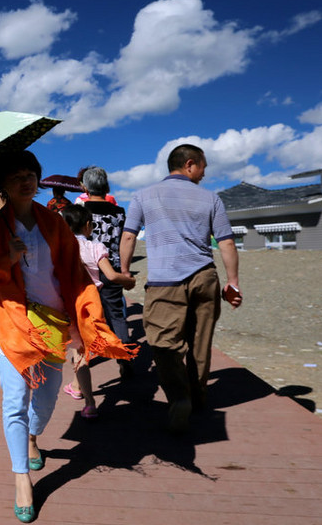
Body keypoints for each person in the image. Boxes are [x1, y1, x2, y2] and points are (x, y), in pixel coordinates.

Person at [0, 150, 135, 523]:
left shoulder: (55, 222)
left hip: (55, 324)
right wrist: (6, 261)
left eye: (30, 173)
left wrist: (79, 332)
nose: (26, 181)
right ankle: (21, 479)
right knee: (14, 400)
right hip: (12, 322)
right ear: (4, 186)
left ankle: (32, 436)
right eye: (16, 176)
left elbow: (74, 276)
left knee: (46, 397)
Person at [119, 143, 243, 433]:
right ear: (189, 164)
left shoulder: (143, 196)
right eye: (203, 166)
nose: (204, 173)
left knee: (163, 344)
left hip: (165, 282)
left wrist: (125, 272)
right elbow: (225, 242)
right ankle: (197, 400)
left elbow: (128, 237)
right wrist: (233, 282)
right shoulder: (211, 199)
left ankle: (179, 398)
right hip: (204, 277)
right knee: (200, 343)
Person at [59, 205, 136, 417]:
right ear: (87, 225)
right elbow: (111, 276)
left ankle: (90, 402)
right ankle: (76, 387)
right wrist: (128, 281)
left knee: (79, 352)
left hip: (68, 302)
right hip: (91, 303)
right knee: (82, 350)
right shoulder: (95, 247)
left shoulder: (61, 247)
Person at [80, 166, 134, 380]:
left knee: (87, 314)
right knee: (117, 314)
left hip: (87, 268)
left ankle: (86, 359)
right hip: (112, 267)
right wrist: (125, 269)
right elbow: (124, 241)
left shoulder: (82, 209)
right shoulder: (119, 212)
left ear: (85, 187)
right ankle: (124, 357)